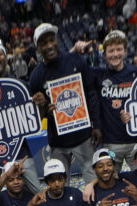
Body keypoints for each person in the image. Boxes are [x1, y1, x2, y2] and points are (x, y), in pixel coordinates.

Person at [29, 23, 101, 184]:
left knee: (95, 184)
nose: (49, 46)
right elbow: (37, 117)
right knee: (60, 188)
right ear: (38, 48)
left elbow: (91, 92)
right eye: (43, 43)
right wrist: (44, 109)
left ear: (56, 40)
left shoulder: (75, 60)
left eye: (51, 40)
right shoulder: (35, 77)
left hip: (84, 137)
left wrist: (96, 124)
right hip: (58, 143)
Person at [0, 42, 42, 197]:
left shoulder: (21, 86)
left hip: (18, 148)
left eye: (0, 53)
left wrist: (40, 105)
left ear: (7, 59)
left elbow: (37, 118)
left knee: (37, 194)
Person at [92, 30, 137, 170]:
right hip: (110, 142)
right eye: (111, 51)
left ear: (125, 51)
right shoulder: (98, 74)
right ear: (104, 54)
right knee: (111, 179)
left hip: (135, 140)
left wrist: (136, 114)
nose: (115, 54)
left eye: (119, 49)